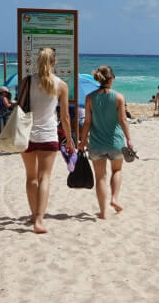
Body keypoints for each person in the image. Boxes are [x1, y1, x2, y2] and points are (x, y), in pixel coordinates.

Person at [20, 47, 76, 234]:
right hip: (48, 135)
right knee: (45, 177)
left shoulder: (26, 81)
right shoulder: (60, 85)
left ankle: (32, 214)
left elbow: (19, 106)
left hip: (26, 135)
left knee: (31, 177)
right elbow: (65, 117)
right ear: (54, 62)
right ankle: (40, 219)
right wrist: (69, 140)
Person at [79, 64, 134, 220]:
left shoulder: (90, 97)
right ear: (111, 79)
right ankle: (114, 198)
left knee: (101, 177)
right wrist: (129, 139)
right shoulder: (118, 97)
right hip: (116, 142)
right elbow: (123, 120)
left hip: (96, 143)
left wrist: (83, 141)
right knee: (117, 171)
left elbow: (87, 122)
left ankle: (103, 213)